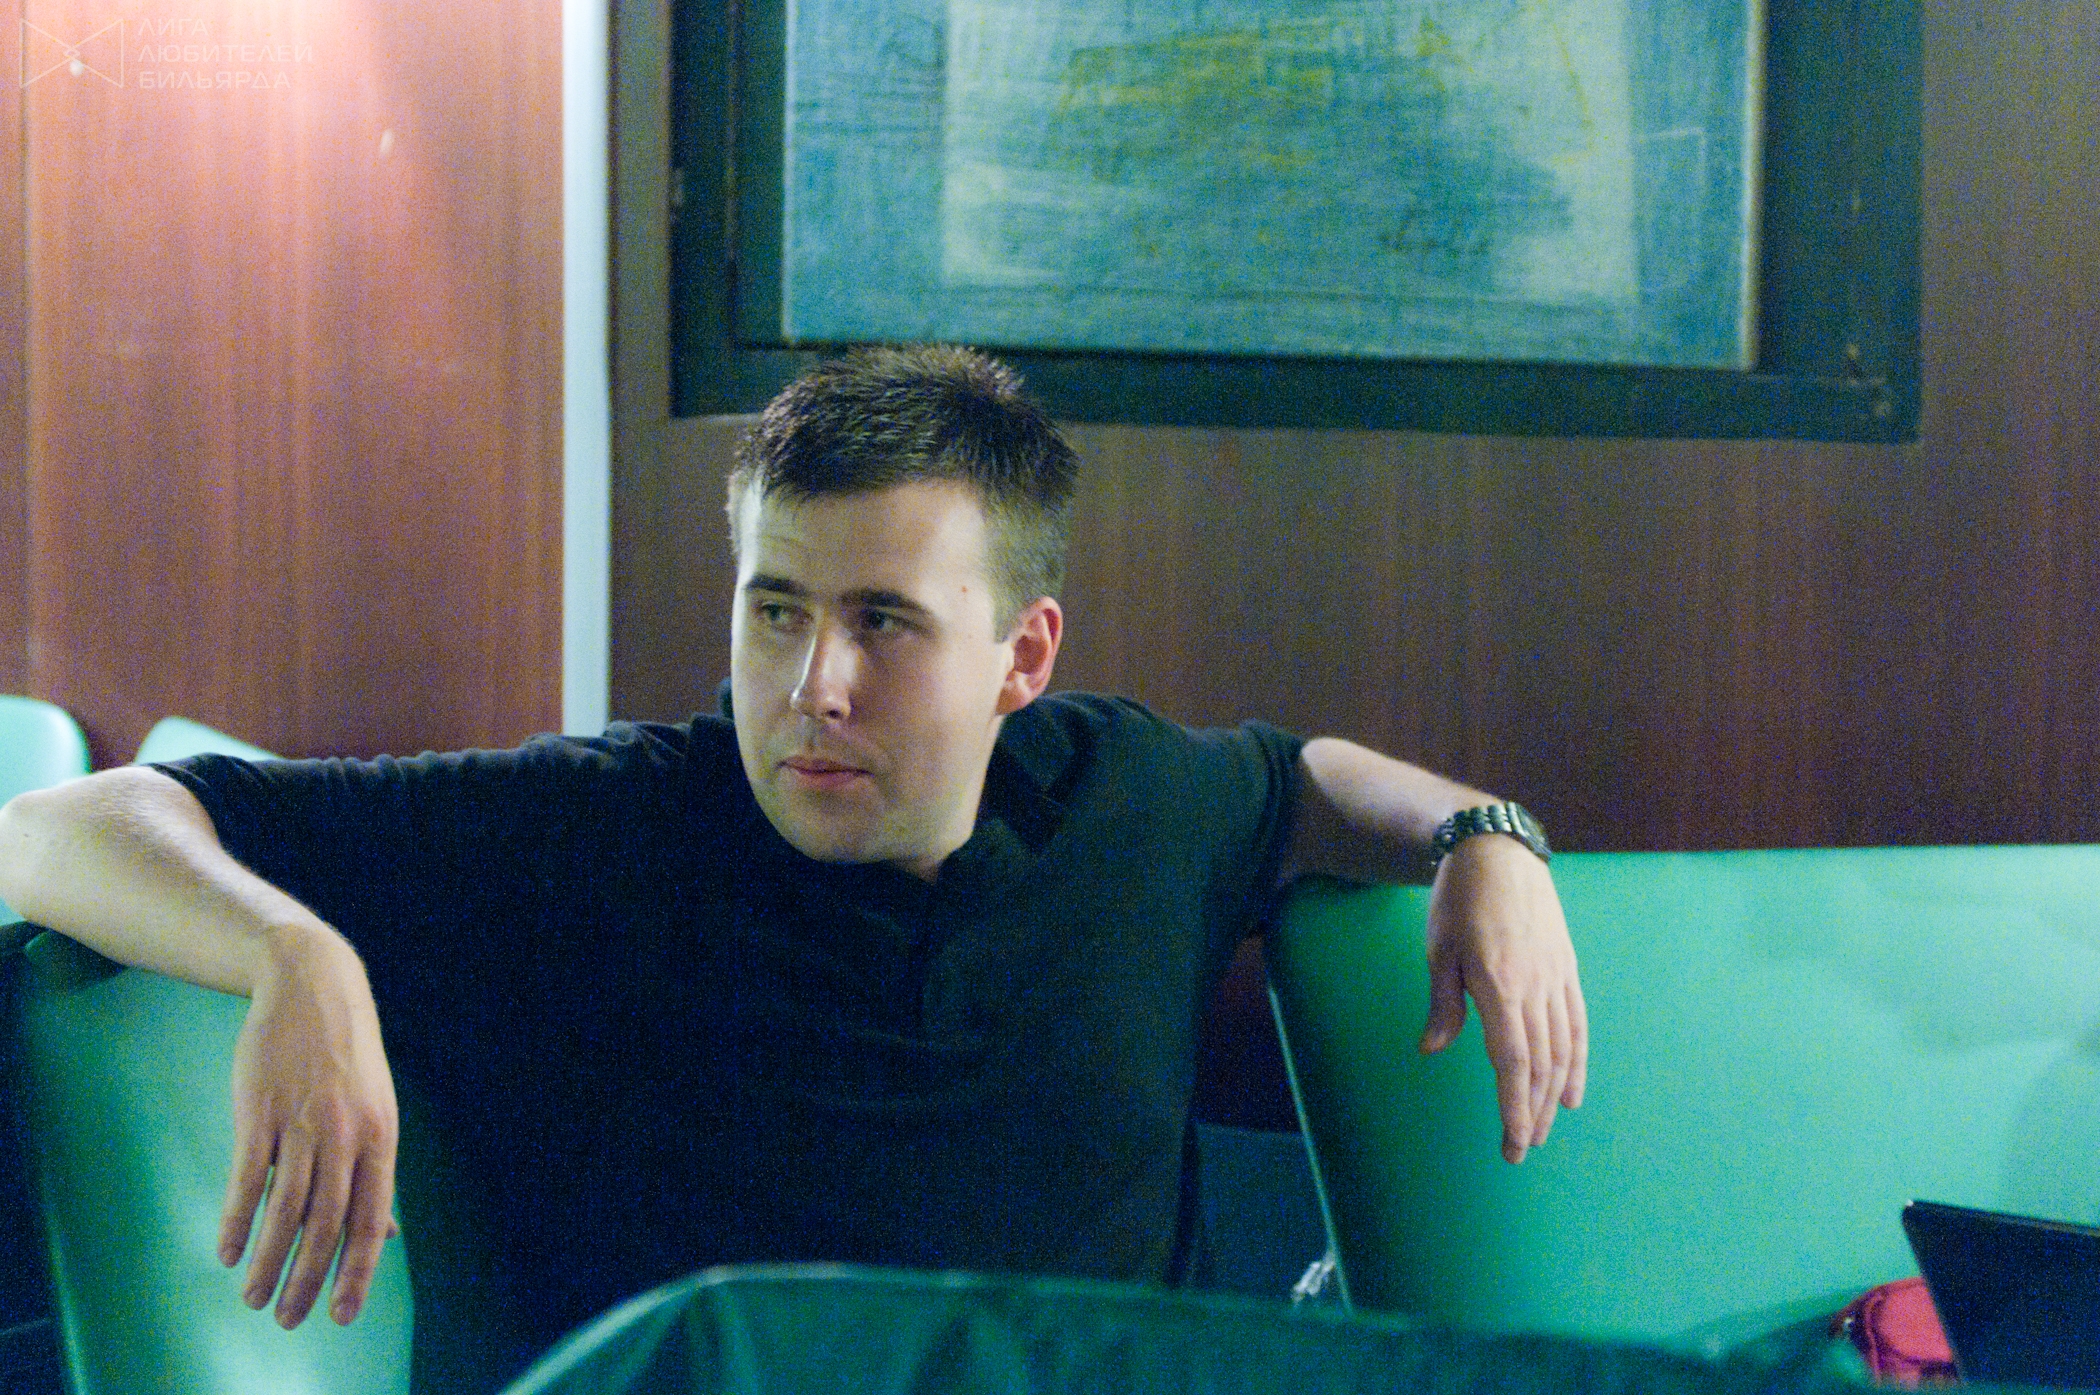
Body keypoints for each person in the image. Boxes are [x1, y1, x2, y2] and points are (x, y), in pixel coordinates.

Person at [0, 346, 1583, 1357]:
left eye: (884, 622)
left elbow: (1304, 783)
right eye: (777, 612)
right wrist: (291, 951)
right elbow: (47, 827)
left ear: (1023, 656)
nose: (815, 686)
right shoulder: (594, 825)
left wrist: (1485, 837)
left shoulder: (1128, 798)